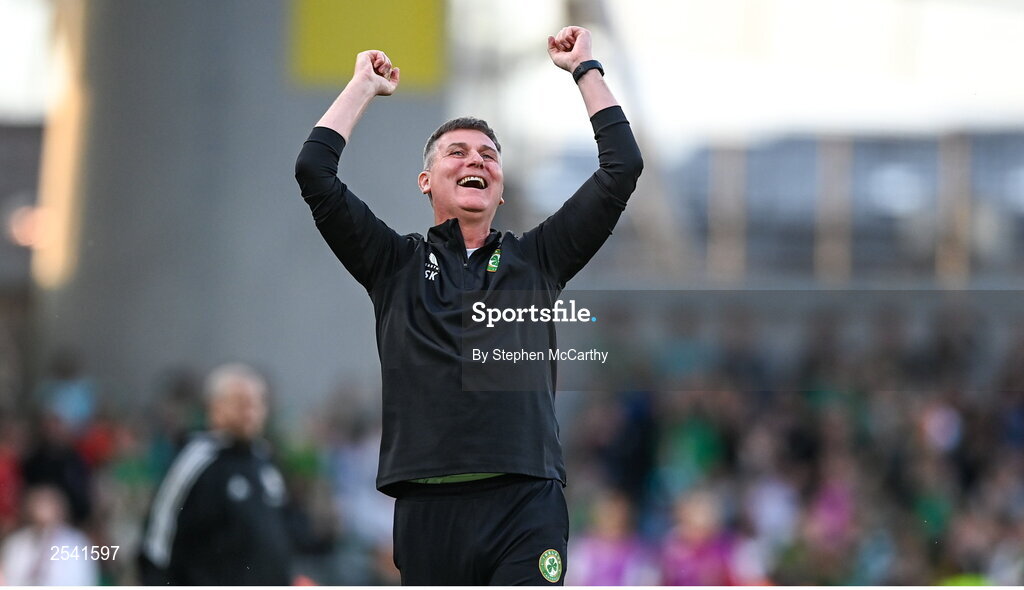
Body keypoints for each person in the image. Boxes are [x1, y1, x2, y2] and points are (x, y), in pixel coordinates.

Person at [294, 25, 642, 585]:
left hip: (526, 502)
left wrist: (586, 69)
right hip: (429, 509)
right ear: (426, 181)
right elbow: (315, 172)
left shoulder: (539, 259)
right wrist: (362, 84)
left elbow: (622, 166)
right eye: (456, 152)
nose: (473, 160)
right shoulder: (393, 264)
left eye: (487, 154)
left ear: (500, 189)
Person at [138, 363, 293, 585]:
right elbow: (159, 540)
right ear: (216, 407)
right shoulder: (197, 460)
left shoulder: (264, 461)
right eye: (241, 402)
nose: (251, 411)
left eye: (258, 402)